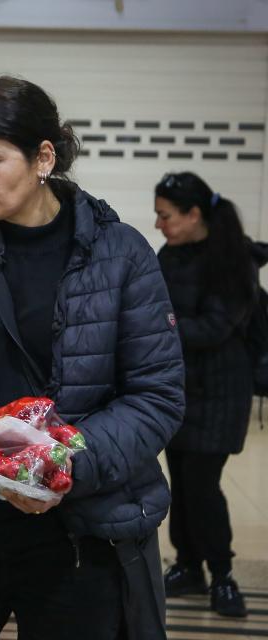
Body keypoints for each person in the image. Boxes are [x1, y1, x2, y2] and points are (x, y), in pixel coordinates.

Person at [0, 76, 185, 639]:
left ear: (44, 157)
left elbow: (157, 397)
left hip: (78, 533)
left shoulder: (121, 256)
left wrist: (64, 466)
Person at [154, 172, 266, 618]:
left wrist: (161, 327)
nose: (159, 224)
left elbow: (215, 328)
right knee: (180, 483)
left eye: (166, 216)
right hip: (179, 389)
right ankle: (188, 566)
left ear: (194, 214)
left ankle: (222, 575)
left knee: (202, 487)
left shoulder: (233, 259)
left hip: (220, 392)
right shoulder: (170, 254)